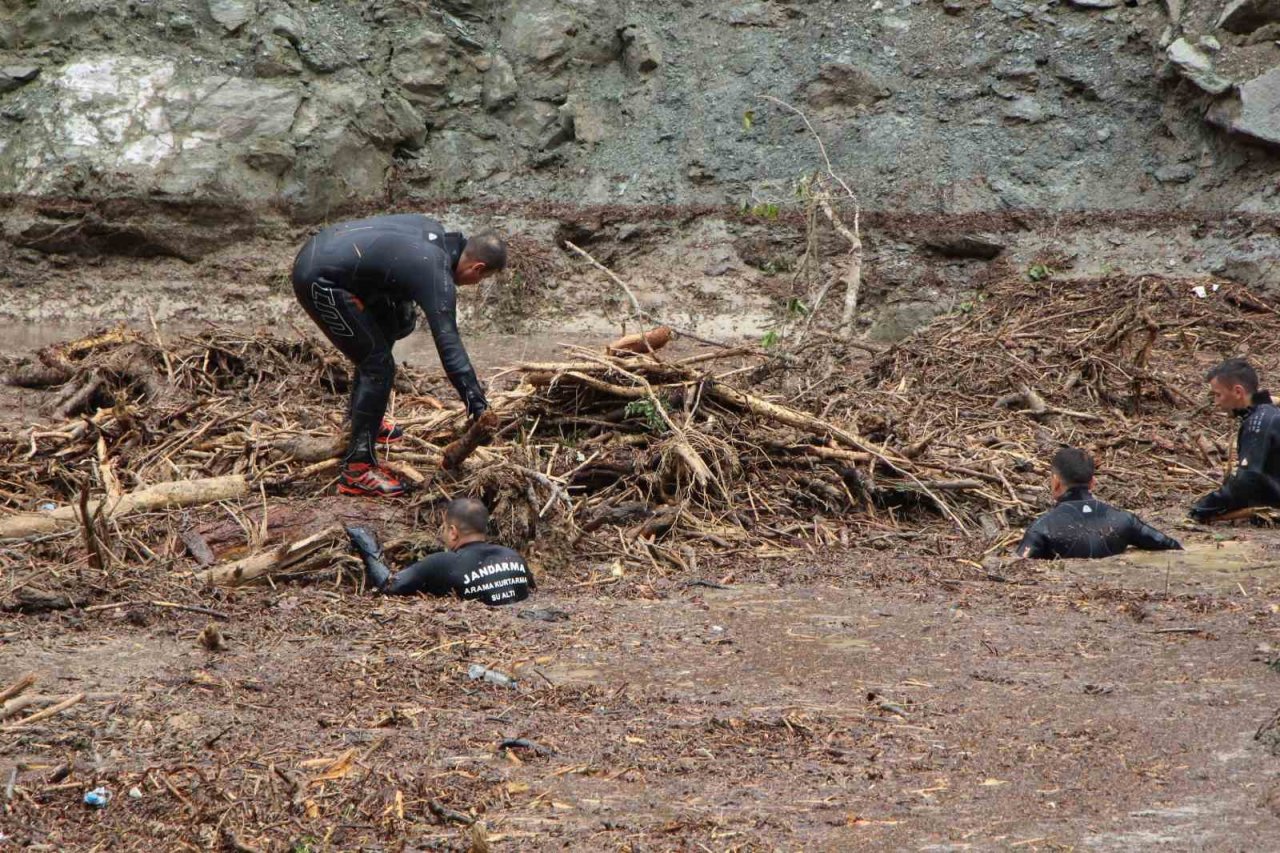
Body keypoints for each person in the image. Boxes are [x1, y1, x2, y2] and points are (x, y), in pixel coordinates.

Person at [291, 214, 507, 497]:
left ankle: (364, 419)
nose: (474, 284)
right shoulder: (435, 272)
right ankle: (358, 468)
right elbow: (449, 347)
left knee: (398, 320)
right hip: (320, 279)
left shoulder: (433, 234)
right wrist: (478, 406)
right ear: (477, 269)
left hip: (322, 255)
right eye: (481, 280)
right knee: (378, 366)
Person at [346, 497, 535, 605]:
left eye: (444, 528)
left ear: (453, 532)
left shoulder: (442, 563)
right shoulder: (514, 557)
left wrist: (365, 543)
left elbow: (389, 586)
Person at [1017, 446, 1181, 559]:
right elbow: (1172, 546)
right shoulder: (1124, 521)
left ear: (1056, 482)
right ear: (1093, 483)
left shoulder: (1043, 528)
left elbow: (1018, 566)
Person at [1190, 358, 1280, 522]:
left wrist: (1202, 508)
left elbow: (1247, 480)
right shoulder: (1265, 412)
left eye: (1218, 395)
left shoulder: (1258, 422)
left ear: (1238, 392)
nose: (1216, 403)